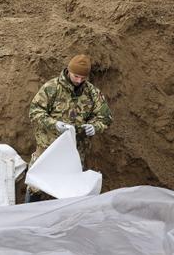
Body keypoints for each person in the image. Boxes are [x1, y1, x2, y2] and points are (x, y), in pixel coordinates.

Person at [26, 54, 113, 203]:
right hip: (49, 148)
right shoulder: (51, 88)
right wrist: (54, 124)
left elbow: (105, 118)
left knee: (70, 189)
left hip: (75, 151)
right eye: (76, 76)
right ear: (68, 71)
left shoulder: (92, 93)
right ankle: (27, 214)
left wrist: (94, 127)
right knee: (36, 184)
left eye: (82, 78)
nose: (79, 81)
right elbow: (35, 112)